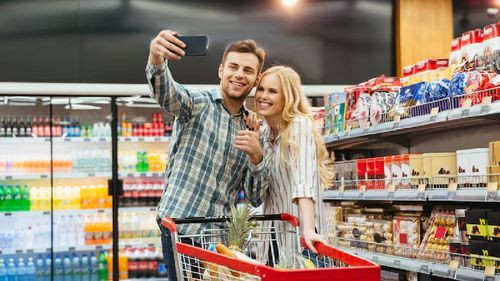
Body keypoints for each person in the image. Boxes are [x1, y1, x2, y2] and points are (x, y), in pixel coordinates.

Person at [146, 30, 269, 280]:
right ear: (221, 71)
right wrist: (156, 57)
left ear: (256, 79)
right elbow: (167, 93)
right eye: (233, 67)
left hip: (218, 240)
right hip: (181, 227)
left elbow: (256, 198)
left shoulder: (253, 128)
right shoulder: (198, 103)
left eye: (247, 70)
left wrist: (257, 157)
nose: (239, 74)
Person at [236, 66, 329, 263]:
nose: (263, 96)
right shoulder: (264, 134)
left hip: (301, 236)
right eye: (261, 89)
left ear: (288, 96)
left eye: (273, 91)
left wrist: (309, 229)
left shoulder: (299, 125)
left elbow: (304, 181)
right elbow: (256, 195)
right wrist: (255, 152)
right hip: (273, 237)